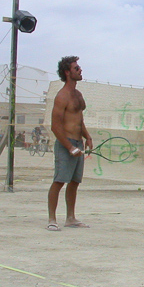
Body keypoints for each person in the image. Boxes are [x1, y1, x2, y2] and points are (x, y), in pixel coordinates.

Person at [47, 56, 93, 231]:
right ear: (67, 72)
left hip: (78, 143)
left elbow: (78, 120)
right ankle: (52, 219)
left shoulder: (78, 95)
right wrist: (69, 147)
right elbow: (55, 126)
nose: (80, 70)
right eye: (76, 68)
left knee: (74, 182)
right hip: (65, 144)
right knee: (59, 181)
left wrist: (87, 137)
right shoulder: (62, 96)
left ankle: (71, 218)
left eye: (79, 67)